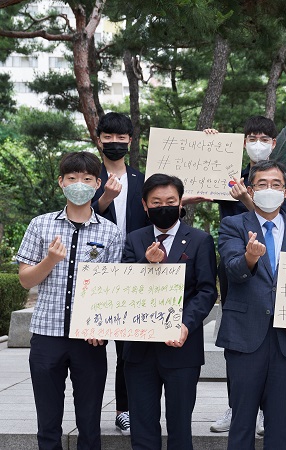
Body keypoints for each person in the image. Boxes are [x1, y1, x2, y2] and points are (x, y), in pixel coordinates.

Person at [17, 151, 123, 449]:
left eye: (87, 179)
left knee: (89, 422)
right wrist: (50, 260)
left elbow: (113, 289)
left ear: (98, 184)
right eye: (73, 178)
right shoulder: (40, 225)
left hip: (89, 338)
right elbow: (26, 279)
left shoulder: (110, 232)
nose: (80, 184)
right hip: (47, 335)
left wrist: (101, 328)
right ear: (61, 183)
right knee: (48, 420)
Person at [204, 116, 286, 435]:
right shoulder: (230, 173)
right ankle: (238, 405)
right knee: (242, 338)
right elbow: (198, 182)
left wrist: (248, 199)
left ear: (274, 142)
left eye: (265, 138)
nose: (258, 143)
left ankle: (263, 409)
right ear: (243, 143)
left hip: (276, 272)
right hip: (239, 265)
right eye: (252, 137)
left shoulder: (284, 179)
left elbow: (284, 216)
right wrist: (212, 146)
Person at [216, 160, 286, 450]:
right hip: (245, 337)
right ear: (250, 189)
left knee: (280, 423)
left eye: (275, 185)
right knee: (242, 421)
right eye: (261, 184)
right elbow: (233, 271)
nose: (268, 190)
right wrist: (249, 258)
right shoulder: (233, 225)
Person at [121, 173, 218, 450]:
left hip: (181, 349)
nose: (163, 207)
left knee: (180, 427)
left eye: (170, 201)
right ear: (144, 205)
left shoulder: (200, 240)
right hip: (139, 351)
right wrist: (145, 264)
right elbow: (121, 287)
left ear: (180, 204)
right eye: (156, 202)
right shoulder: (135, 239)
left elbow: (207, 290)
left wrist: (186, 324)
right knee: (142, 427)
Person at [91, 111, 147, 435]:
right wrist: (103, 200)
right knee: (95, 347)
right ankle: (89, 409)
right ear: (99, 140)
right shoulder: (88, 176)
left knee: (129, 349)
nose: (114, 143)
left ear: (130, 140)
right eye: (108, 137)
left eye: (120, 137)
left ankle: (124, 408)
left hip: (135, 272)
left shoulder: (140, 179)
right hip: (98, 272)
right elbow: (77, 214)